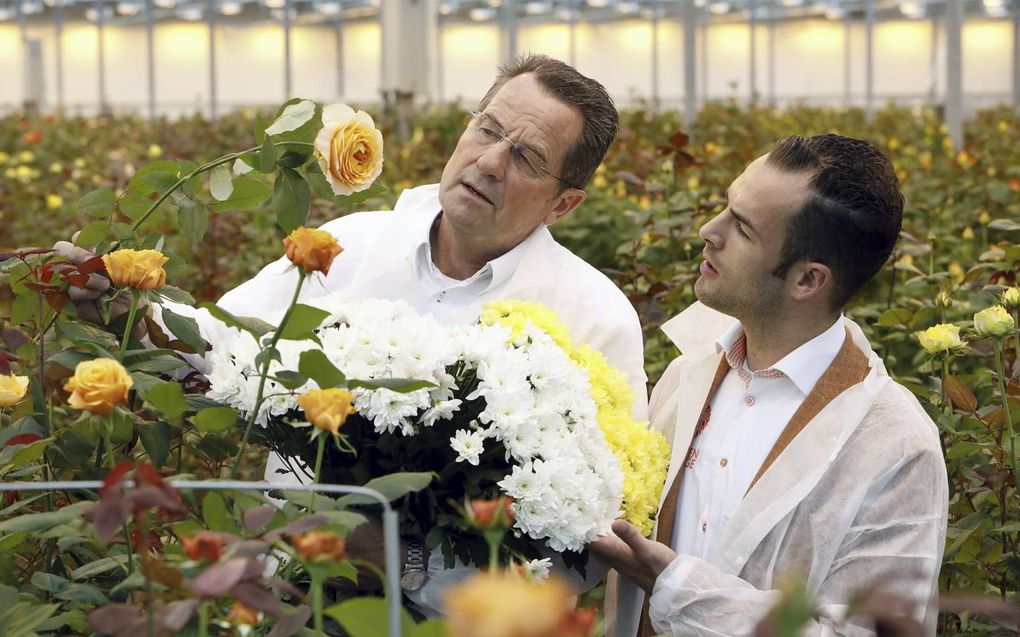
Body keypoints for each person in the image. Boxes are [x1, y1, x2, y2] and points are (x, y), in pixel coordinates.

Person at [59, 54, 646, 615]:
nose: (491, 162)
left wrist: (407, 563)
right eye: (487, 130)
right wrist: (122, 303)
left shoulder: (593, 318)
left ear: (564, 203)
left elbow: (585, 544)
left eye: (527, 158)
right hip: (291, 595)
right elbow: (221, 348)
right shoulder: (349, 248)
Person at [590, 134, 948, 637]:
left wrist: (676, 587)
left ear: (807, 280)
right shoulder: (686, 375)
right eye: (725, 207)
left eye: (743, 229)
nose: (708, 230)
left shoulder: (894, 445)